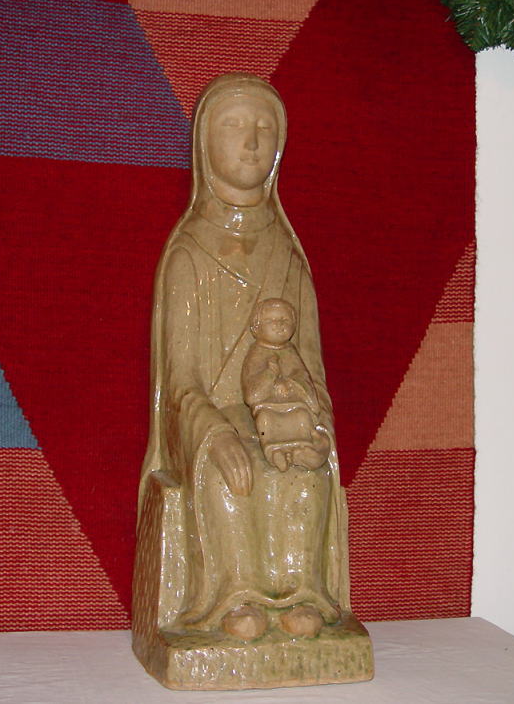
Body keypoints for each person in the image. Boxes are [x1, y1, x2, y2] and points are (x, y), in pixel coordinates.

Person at [138, 74, 348, 642]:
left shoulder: (288, 257)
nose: (252, 142)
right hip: (210, 420)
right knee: (232, 471)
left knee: (304, 467)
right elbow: (180, 382)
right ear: (205, 143)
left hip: (280, 416)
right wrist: (212, 433)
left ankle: (301, 595)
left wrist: (317, 424)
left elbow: (312, 368)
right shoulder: (188, 255)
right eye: (234, 126)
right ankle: (234, 600)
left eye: (264, 129)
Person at [241, 297, 325, 472]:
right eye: (271, 320)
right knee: (265, 420)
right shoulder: (255, 353)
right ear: (256, 327)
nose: (279, 325)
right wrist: (270, 374)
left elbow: (302, 376)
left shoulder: (291, 352)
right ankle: (275, 453)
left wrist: (290, 383)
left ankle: (301, 451)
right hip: (268, 407)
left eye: (284, 320)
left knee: (302, 417)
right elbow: (251, 394)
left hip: (294, 404)